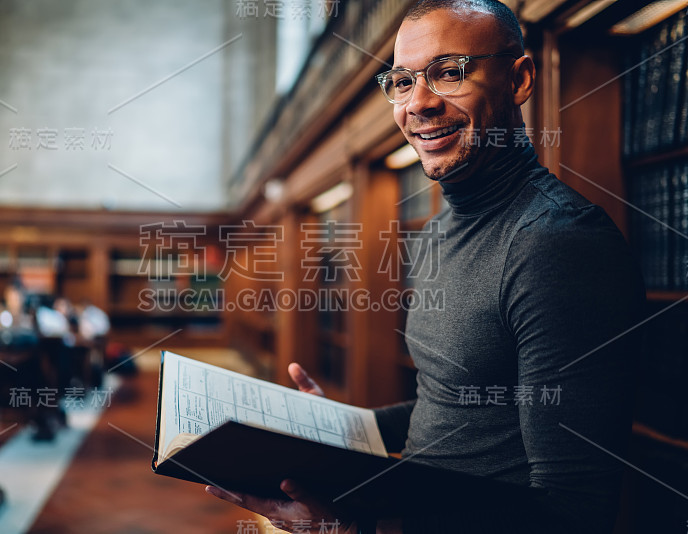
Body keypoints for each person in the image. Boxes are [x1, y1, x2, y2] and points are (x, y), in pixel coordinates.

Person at [206, 1, 644, 533]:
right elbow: (449, 406)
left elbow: (574, 511)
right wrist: (333, 427)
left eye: (449, 73)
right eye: (402, 81)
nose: (419, 103)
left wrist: (351, 523)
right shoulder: (437, 232)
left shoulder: (559, 243)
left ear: (520, 79)